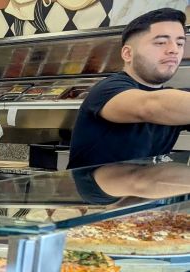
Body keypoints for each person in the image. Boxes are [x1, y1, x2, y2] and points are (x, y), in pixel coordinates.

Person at [69, 8, 189, 169]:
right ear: (127, 54)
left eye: (180, 43)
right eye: (160, 42)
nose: (174, 50)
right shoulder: (109, 89)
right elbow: (150, 107)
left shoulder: (177, 98)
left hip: (145, 192)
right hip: (92, 192)